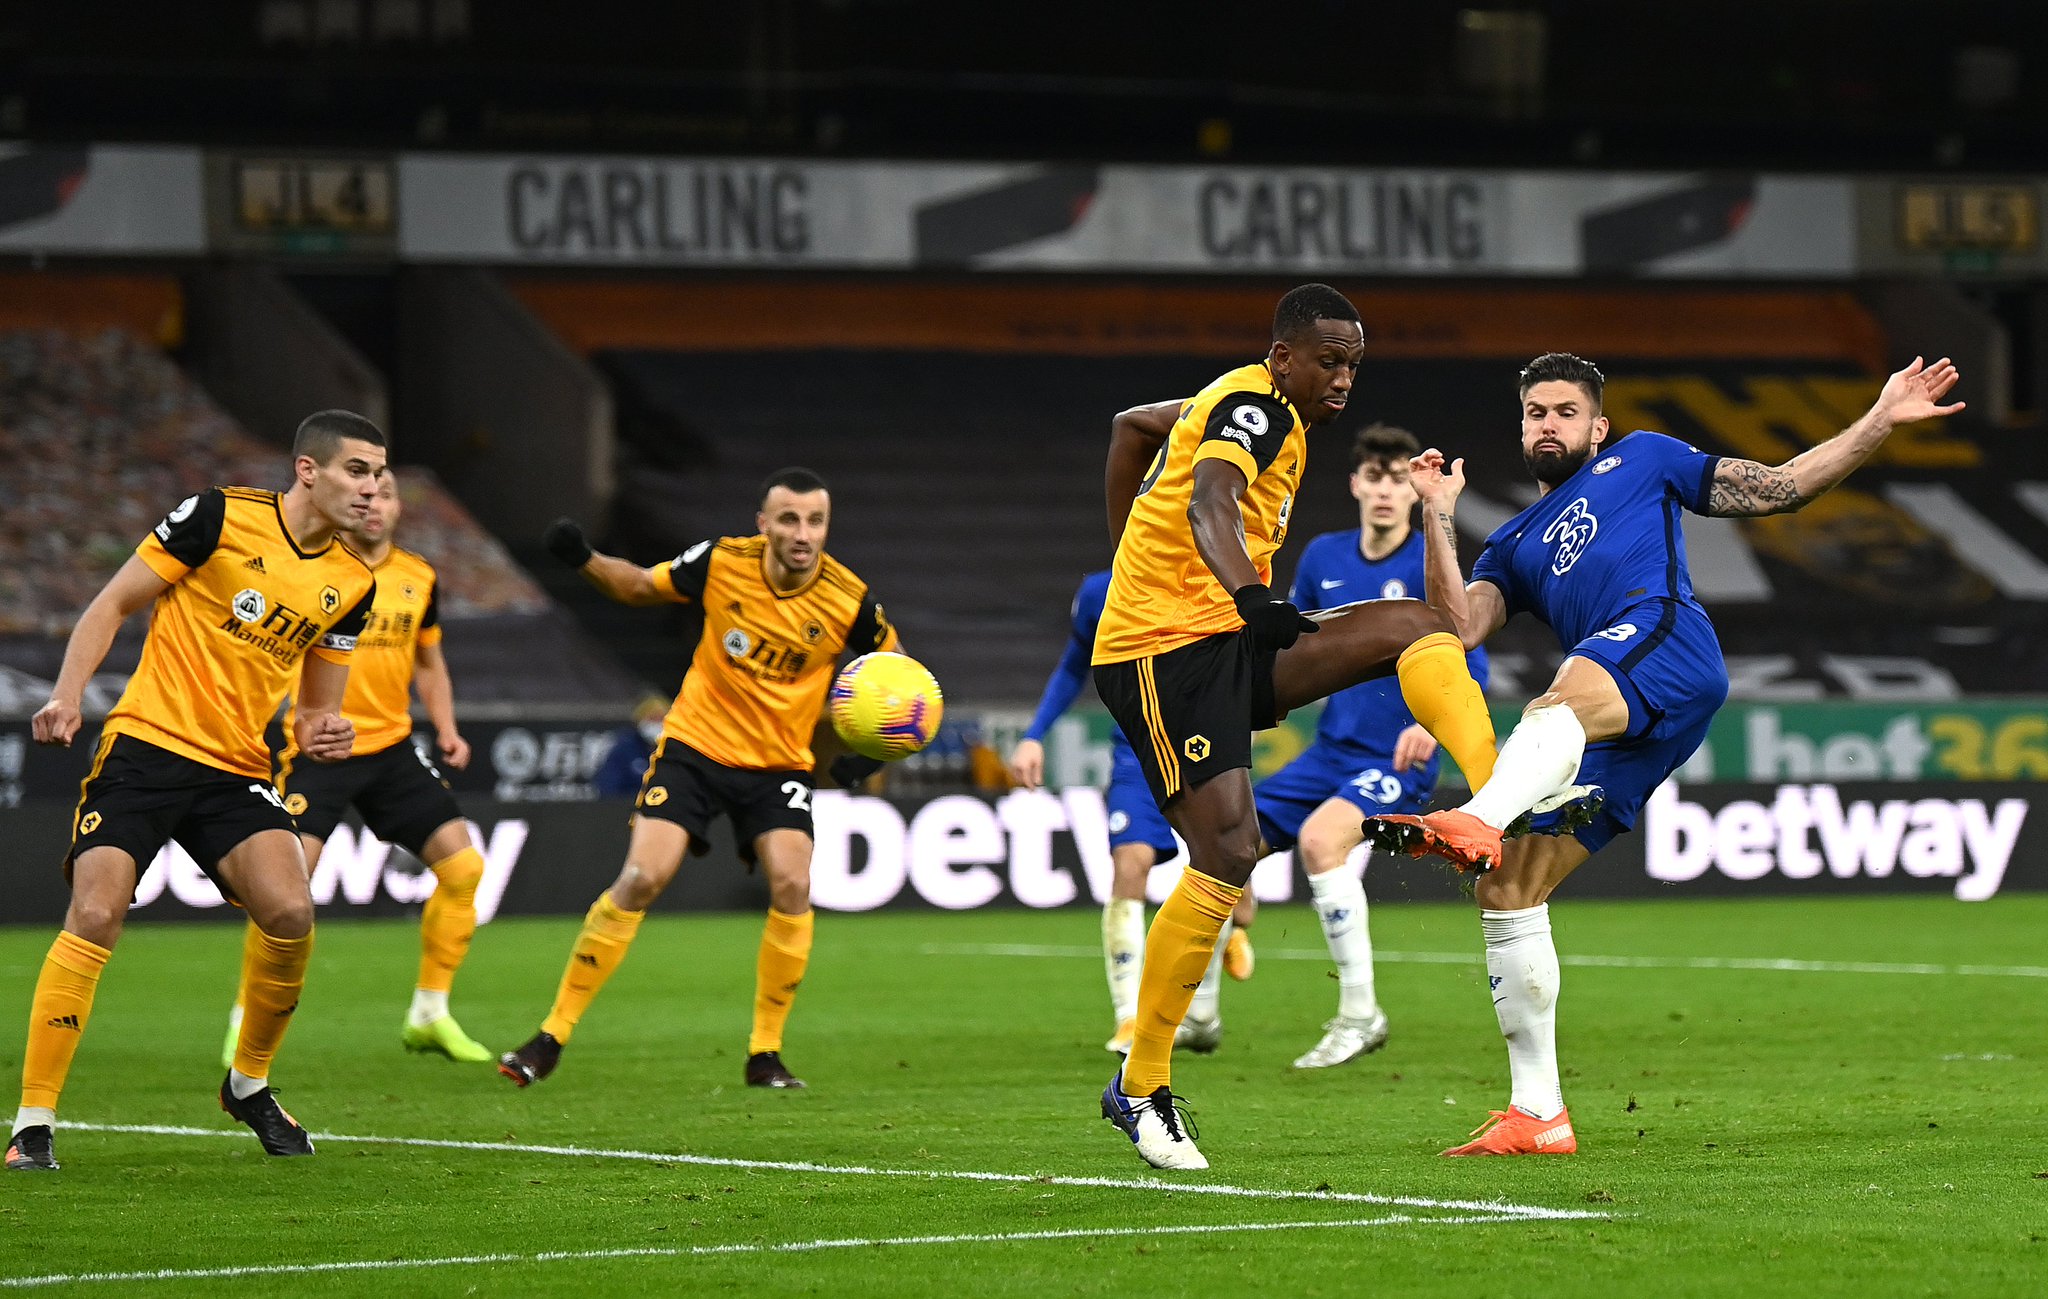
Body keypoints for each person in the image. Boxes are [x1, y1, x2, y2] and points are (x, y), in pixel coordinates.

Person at [1364, 351, 1965, 1156]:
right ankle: (1537, 1115)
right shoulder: (1508, 544)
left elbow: (1781, 486)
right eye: (1535, 412)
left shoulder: (1642, 458)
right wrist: (1437, 512)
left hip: (1667, 644)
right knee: (1509, 886)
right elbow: (1457, 628)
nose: (1549, 423)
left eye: (1565, 411)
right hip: (1625, 716)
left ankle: (1475, 817)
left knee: (1559, 695)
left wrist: (1880, 420)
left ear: (1597, 425)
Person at [1090, 284, 1500, 1171]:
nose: (1344, 376)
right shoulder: (1253, 407)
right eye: (1329, 358)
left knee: (1421, 625)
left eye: (1354, 361)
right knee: (1229, 852)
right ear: (1283, 356)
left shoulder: (1242, 401)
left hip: (1221, 637)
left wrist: (1132, 551)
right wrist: (1237, 594)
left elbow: (1130, 427)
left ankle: (1497, 801)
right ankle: (1141, 1084)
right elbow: (1208, 502)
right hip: (1161, 655)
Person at [8, 411, 384, 1171]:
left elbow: (316, 711)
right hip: (145, 745)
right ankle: (32, 1122)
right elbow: (111, 603)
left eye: (378, 473)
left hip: (237, 768)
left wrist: (324, 732)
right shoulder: (217, 515)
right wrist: (68, 695)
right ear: (309, 470)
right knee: (96, 910)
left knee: (290, 909)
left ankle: (248, 1084)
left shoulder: (352, 583)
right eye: (357, 470)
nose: (371, 488)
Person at [498, 467, 899, 1092]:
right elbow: (637, 587)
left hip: (779, 767)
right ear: (763, 523)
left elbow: (893, 684)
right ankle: (551, 1034)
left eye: (815, 520)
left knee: (793, 883)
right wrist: (583, 558)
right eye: (788, 519)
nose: (802, 532)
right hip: (695, 748)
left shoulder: (851, 600)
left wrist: (870, 755)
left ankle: (765, 1053)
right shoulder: (721, 561)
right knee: (641, 877)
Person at [220, 469, 491, 1067]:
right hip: (319, 750)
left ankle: (430, 1013)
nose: (374, 503)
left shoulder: (419, 576)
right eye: (367, 492)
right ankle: (245, 1018)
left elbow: (429, 662)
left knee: (466, 867)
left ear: (398, 510)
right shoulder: (318, 569)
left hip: (392, 749)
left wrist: (445, 728)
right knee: (283, 891)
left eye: (388, 494)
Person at [1251, 423, 1489, 1070]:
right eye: (1374, 477)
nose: (1385, 490)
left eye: (1397, 479)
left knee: (1321, 841)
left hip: (1392, 759)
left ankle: (1360, 1014)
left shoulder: (1424, 562)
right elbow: (1292, 650)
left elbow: (1473, 656)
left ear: (1414, 492)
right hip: (1328, 751)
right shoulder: (1324, 557)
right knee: (1224, 843)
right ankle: (1198, 1015)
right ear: (1355, 483)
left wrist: (1432, 723)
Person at [1007, 571, 1255, 1058]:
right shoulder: (1100, 592)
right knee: (1130, 863)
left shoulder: (1212, 576)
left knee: (1233, 880)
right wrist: (1035, 734)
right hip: (1136, 754)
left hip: (1203, 746)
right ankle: (1129, 1017)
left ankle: (1223, 959)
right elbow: (1075, 664)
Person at [594, 694, 671, 798]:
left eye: (661, 719)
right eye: (652, 718)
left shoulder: (675, 749)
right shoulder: (624, 748)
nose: (657, 724)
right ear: (640, 720)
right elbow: (608, 787)